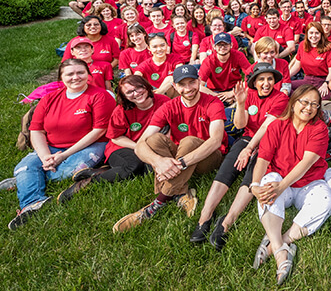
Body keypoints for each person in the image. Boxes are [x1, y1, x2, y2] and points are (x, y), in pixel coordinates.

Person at [112, 65, 227, 232]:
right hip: (181, 155)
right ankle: (181, 194)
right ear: (174, 86)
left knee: (188, 141)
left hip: (209, 158)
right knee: (154, 140)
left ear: (199, 82)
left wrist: (179, 164)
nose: (188, 88)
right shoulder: (168, 106)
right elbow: (141, 144)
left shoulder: (212, 103)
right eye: (182, 84)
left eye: (192, 82)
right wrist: (159, 162)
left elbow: (215, 141)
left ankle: (159, 202)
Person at [191, 63, 289, 248]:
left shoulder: (281, 98)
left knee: (253, 175)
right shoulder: (248, 94)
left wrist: (249, 149)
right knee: (229, 166)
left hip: (270, 143)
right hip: (248, 137)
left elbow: (266, 126)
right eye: (261, 79)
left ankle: (228, 220)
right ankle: (206, 215)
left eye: (270, 79)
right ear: (254, 82)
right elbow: (240, 125)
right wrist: (242, 103)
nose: (266, 83)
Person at [9, 59, 115, 230]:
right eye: (70, 74)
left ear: (88, 74)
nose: (76, 77)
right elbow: (36, 130)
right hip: (52, 147)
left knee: (65, 173)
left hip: (91, 145)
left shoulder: (100, 96)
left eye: (80, 72)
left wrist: (64, 155)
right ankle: (33, 203)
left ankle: (26, 178)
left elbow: (99, 131)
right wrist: (45, 157)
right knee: (26, 164)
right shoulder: (50, 98)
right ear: (61, 77)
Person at [249, 85, 331, 285]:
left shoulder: (319, 129)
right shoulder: (277, 126)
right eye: (304, 102)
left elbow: (305, 165)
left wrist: (280, 187)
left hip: (308, 183)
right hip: (282, 182)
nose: (309, 107)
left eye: (314, 104)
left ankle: (276, 243)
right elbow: (262, 159)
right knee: (267, 184)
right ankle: (282, 253)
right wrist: (254, 185)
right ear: (294, 102)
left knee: (328, 201)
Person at [56, 75, 171, 203]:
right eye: (129, 92)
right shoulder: (122, 110)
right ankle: (88, 183)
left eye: (139, 88)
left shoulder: (164, 102)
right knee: (132, 166)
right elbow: (116, 137)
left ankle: (102, 171)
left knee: (149, 172)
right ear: (125, 96)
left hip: (150, 145)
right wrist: (139, 147)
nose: (136, 93)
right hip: (123, 147)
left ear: (146, 86)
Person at [288, 22, 331, 100]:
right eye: (311, 33)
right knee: (287, 87)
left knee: (321, 99)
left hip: (322, 81)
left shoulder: (329, 48)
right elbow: (297, 65)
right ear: (307, 34)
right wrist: (286, 77)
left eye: (317, 33)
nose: (314, 36)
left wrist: (326, 83)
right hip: (307, 79)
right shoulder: (302, 45)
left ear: (321, 34)